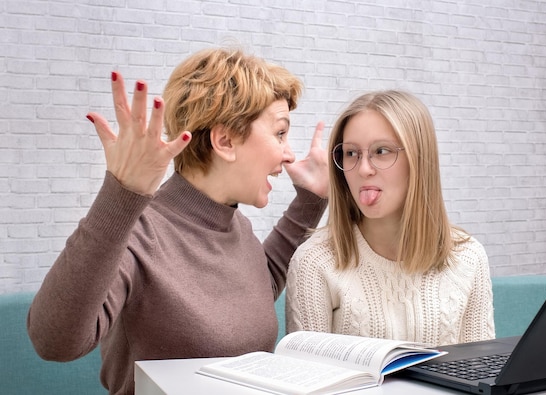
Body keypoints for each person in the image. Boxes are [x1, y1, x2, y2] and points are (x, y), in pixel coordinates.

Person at [27, 47, 328, 395]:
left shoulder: (236, 225)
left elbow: (255, 286)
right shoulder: (139, 232)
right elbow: (54, 342)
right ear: (225, 141)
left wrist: (311, 199)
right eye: (279, 133)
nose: (288, 153)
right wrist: (121, 194)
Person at [285, 90, 494, 347]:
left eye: (381, 151)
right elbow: (308, 378)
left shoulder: (468, 257)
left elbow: (479, 375)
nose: (363, 169)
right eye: (351, 153)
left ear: (418, 160)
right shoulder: (314, 261)